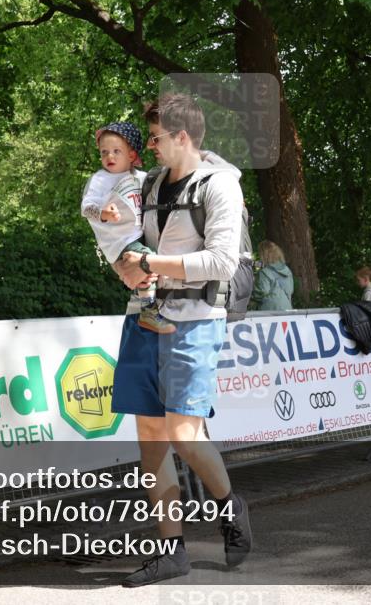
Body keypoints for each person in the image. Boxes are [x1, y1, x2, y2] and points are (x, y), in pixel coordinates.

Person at [111, 93, 252, 587]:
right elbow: (134, 245)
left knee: (184, 437)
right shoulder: (149, 184)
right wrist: (127, 264)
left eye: (155, 138)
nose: (148, 146)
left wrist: (151, 264)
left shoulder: (221, 186)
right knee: (150, 442)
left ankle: (228, 505)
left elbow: (222, 262)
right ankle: (171, 551)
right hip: (144, 316)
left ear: (183, 137)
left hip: (195, 319)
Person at [81, 122, 174, 334]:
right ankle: (148, 311)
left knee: (150, 264)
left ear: (132, 155)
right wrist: (103, 213)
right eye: (104, 152)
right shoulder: (100, 179)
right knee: (145, 260)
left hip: (137, 234)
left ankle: (151, 303)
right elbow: (86, 208)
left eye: (116, 151)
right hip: (118, 240)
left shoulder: (141, 177)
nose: (109, 157)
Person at [252, 240, 293, 311]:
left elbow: (261, 293)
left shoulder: (264, 272)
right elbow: (290, 290)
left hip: (270, 311)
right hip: (287, 309)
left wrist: (251, 292)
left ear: (264, 255)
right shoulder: (287, 271)